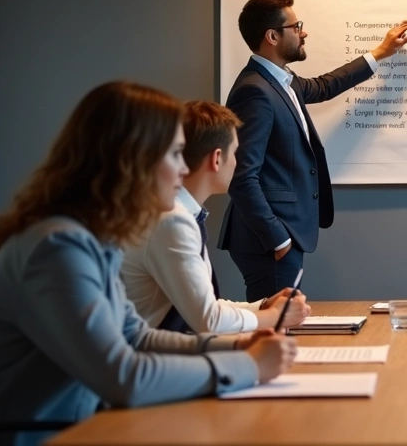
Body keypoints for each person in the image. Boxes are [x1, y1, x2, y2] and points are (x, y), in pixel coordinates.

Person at [0, 82, 297, 446]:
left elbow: (135, 337)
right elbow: (124, 377)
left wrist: (237, 347)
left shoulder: (91, 239)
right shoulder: (58, 248)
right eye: (174, 154)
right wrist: (249, 366)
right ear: (134, 160)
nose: (181, 171)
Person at [220, 0, 407, 298]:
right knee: (275, 335)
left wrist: (380, 53)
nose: (303, 32)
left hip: (281, 236)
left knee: (280, 330)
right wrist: (278, 238)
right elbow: (241, 176)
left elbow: (325, 86)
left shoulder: (280, 81)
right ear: (272, 36)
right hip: (270, 241)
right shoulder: (255, 92)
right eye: (296, 26)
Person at [121, 100, 310, 333]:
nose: (237, 163)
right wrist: (274, 317)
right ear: (217, 158)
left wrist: (263, 307)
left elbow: (207, 307)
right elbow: (209, 320)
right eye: (235, 153)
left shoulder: (181, 215)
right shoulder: (172, 221)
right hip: (156, 360)